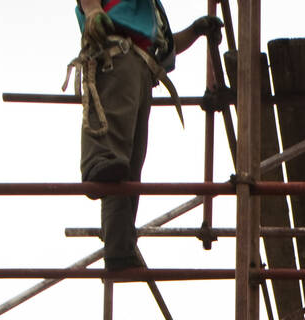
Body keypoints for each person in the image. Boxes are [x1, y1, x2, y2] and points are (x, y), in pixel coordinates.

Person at [71, 2, 223, 271]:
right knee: (110, 156)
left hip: (143, 69)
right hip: (116, 56)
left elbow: (165, 45)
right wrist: (94, 10)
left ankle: (120, 249)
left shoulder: (149, 10)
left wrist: (196, 30)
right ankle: (94, 161)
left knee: (127, 169)